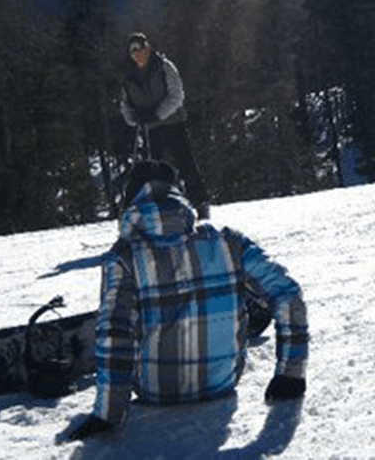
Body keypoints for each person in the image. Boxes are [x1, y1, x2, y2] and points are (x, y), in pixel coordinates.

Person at [66, 160, 309, 441]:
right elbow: (288, 293)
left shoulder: (122, 258)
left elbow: (115, 335)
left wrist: (107, 416)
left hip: (155, 393)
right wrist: (290, 375)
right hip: (222, 383)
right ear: (179, 194)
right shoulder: (229, 242)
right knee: (236, 297)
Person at [120, 32, 210, 218]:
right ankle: (163, 210)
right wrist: (134, 118)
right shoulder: (128, 77)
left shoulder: (164, 66)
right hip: (150, 130)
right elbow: (125, 104)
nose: (137, 53)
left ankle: (200, 204)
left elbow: (177, 95)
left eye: (140, 48)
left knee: (186, 165)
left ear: (148, 48)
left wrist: (156, 114)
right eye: (133, 51)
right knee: (156, 173)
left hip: (173, 123)